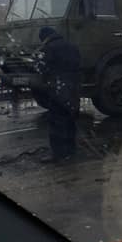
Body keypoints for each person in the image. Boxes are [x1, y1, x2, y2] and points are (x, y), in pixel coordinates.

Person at [36, 27, 81, 162]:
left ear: (44, 37)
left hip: (57, 89)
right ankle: (71, 149)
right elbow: (79, 65)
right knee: (70, 119)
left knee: (56, 121)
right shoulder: (72, 46)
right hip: (72, 88)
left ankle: (58, 153)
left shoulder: (48, 48)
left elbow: (41, 69)